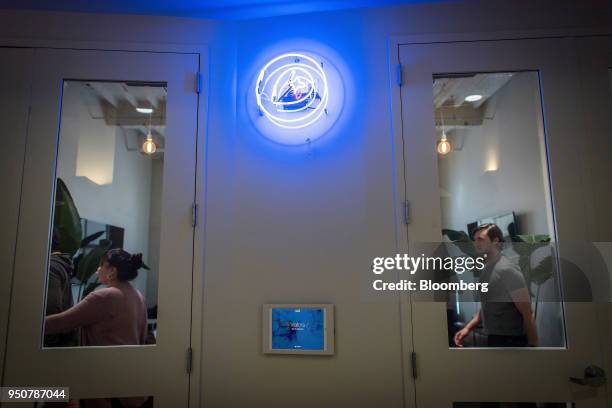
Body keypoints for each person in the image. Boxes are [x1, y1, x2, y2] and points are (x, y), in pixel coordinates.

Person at [454, 223, 538, 348]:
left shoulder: (507, 270)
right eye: (474, 240)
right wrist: (467, 328)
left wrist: (533, 347)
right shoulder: (486, 270)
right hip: (494, 338)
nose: (476, 243)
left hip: (511, 341)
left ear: (495, 241)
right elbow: (487, 306)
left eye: (480, 239)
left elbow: (527, 313)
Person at [44, 248, 148, 347]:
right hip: (131, 363)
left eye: (101, 265)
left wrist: (31, 324)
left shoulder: (105, 297)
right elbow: (142, 337)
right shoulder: (139, 296)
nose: (98, 269)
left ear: (112, 271)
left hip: (104, 363)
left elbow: (62, 323)